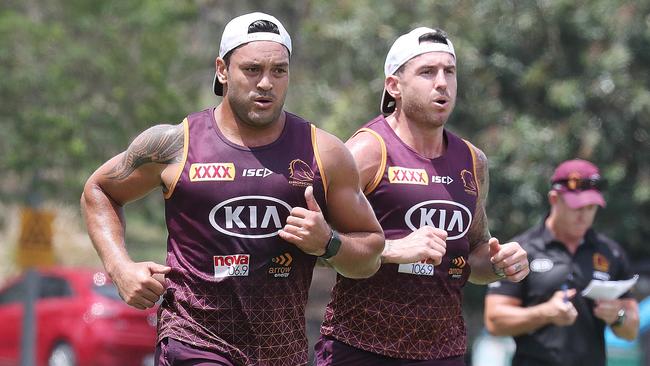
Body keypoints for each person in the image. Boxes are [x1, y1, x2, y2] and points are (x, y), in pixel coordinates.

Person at [80, 12, 384, 366]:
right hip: (193, 340)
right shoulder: (176, 145)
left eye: (278, 71)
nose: (266, 83)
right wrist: (120, 268)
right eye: (252, 70)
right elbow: (99, 191)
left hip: (281, 351)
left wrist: (329, 242)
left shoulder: (324, 153)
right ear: (222, 70)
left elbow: (370, 256)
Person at [315, 27, 530, 366]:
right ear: (394, 86)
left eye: (449, 71)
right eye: (427, 72)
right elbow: (313, 244)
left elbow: (473, 256)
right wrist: (389, 249)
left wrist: (500, 263)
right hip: (360, 349)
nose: (442, 83)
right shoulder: (368, 151)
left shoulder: (473, 161)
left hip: (444, 352)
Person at [484, 159, 640, 366]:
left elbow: (631, 330)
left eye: (591, 208)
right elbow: (494, 321)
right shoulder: (523, 250)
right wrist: (546, 312)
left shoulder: (611, 252)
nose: (584, 216)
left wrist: (617, 316)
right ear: (554, 199)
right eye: (577, 207)